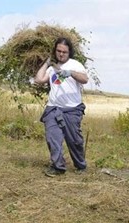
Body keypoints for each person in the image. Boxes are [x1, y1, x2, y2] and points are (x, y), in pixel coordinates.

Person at [34, 37, 88, 177]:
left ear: (69, 52)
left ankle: (80, 164)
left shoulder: (75, 64)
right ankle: (58, 167)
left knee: (74, 141)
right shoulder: (52, 68)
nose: (61, 54)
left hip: (72, 109)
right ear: (55, 51)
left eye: (64, 51)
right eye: (58, 51)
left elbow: (85, 79)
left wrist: (70, 73)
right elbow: (39, 80)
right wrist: (46, 62)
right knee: (53, 138)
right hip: (53, 108)